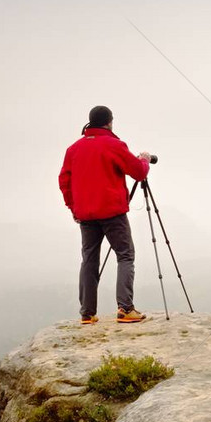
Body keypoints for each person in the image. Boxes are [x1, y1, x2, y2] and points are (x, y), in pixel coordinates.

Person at [58, 105, 151, 324]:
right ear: (109, 122)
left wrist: (73, 207)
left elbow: (64, 180)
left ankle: (87, 313)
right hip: (112, 212)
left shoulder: (74, 149)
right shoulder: (114, 145)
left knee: (89, 259)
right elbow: (137, 172)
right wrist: (144, 160)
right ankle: (125, 309)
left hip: (85, 214)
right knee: (125, 255)